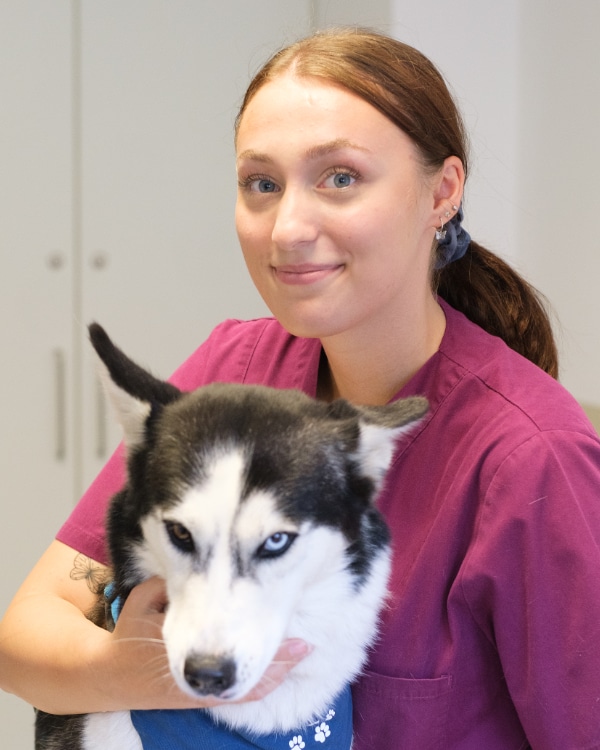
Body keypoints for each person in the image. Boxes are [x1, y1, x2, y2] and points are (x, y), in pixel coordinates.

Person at [1, 26, 600, 749]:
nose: (287, 227)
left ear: (441, 192)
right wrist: (187, 670)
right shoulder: (232, 373)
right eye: (262, 184)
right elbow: (26, 639)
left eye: (340, 178)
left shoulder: (533, 459)